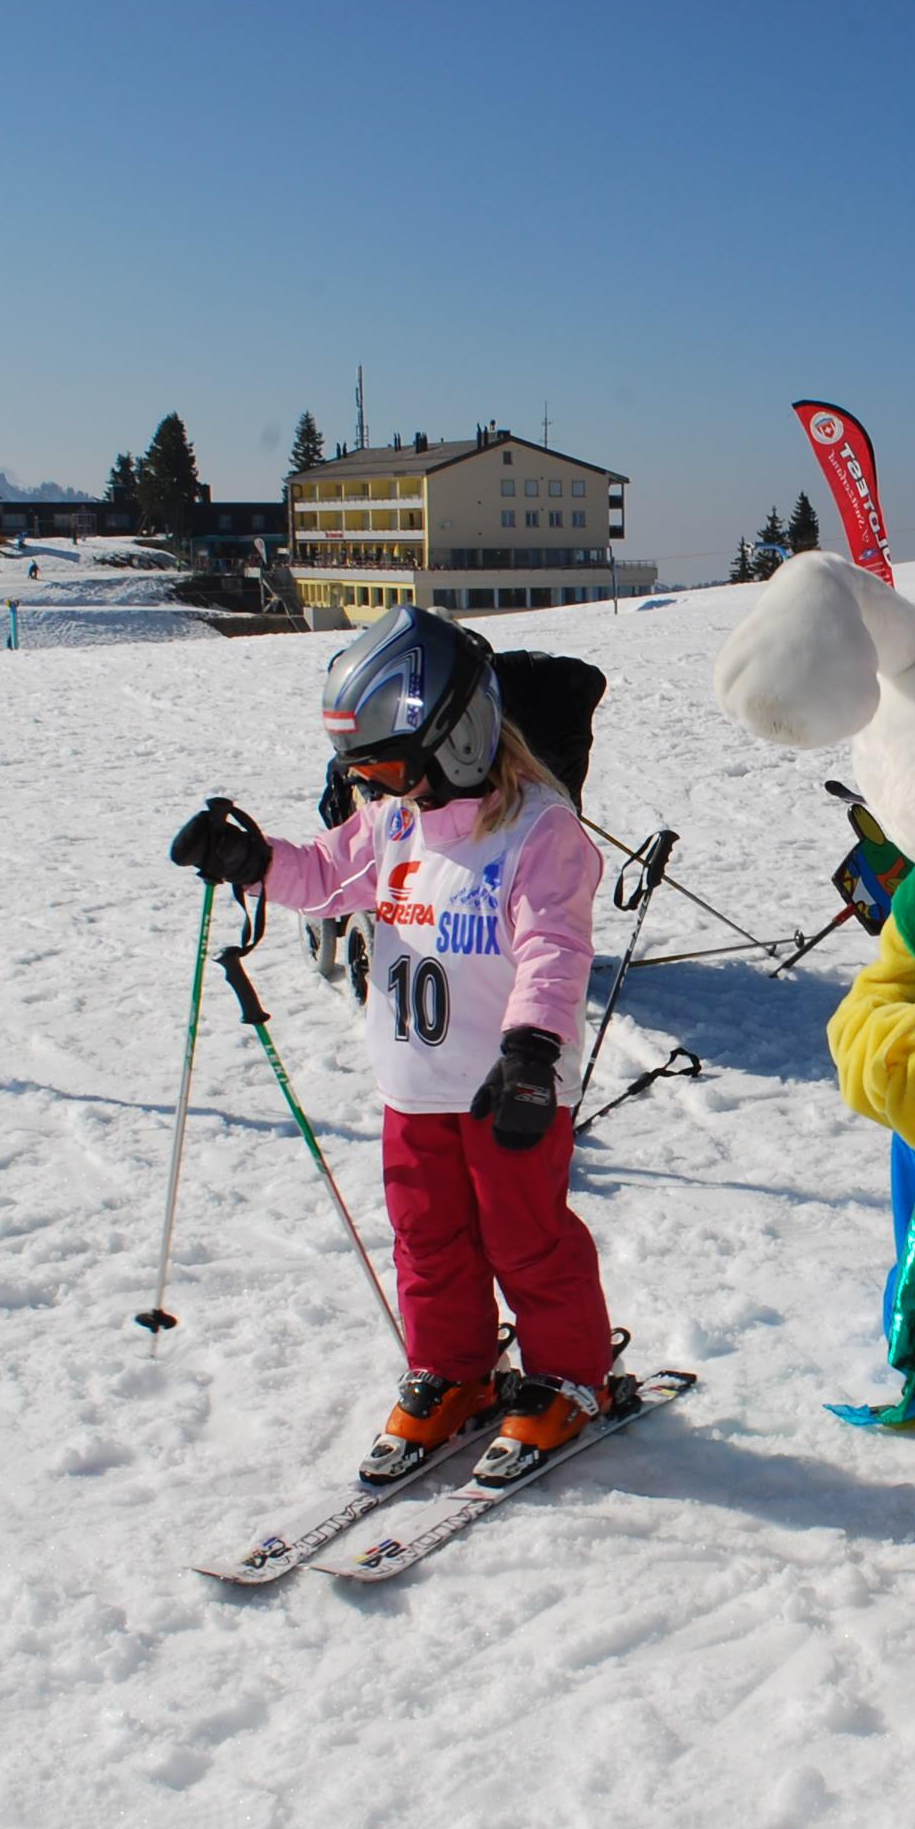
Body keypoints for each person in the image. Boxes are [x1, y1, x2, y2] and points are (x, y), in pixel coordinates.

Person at [165, 607, 619, 1486]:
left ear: (458, 739)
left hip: (508, 1086)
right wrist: (251, 861)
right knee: (427, 1237)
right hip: (413, 1086)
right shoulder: (393, 824)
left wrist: (532, 1051)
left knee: (526, 1240)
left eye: (387, 767)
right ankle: (453, 1367)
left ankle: (571, 1376)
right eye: (362, 771)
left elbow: (554, 949)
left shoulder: (539, 832)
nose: (377, 787)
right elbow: (321, 876)